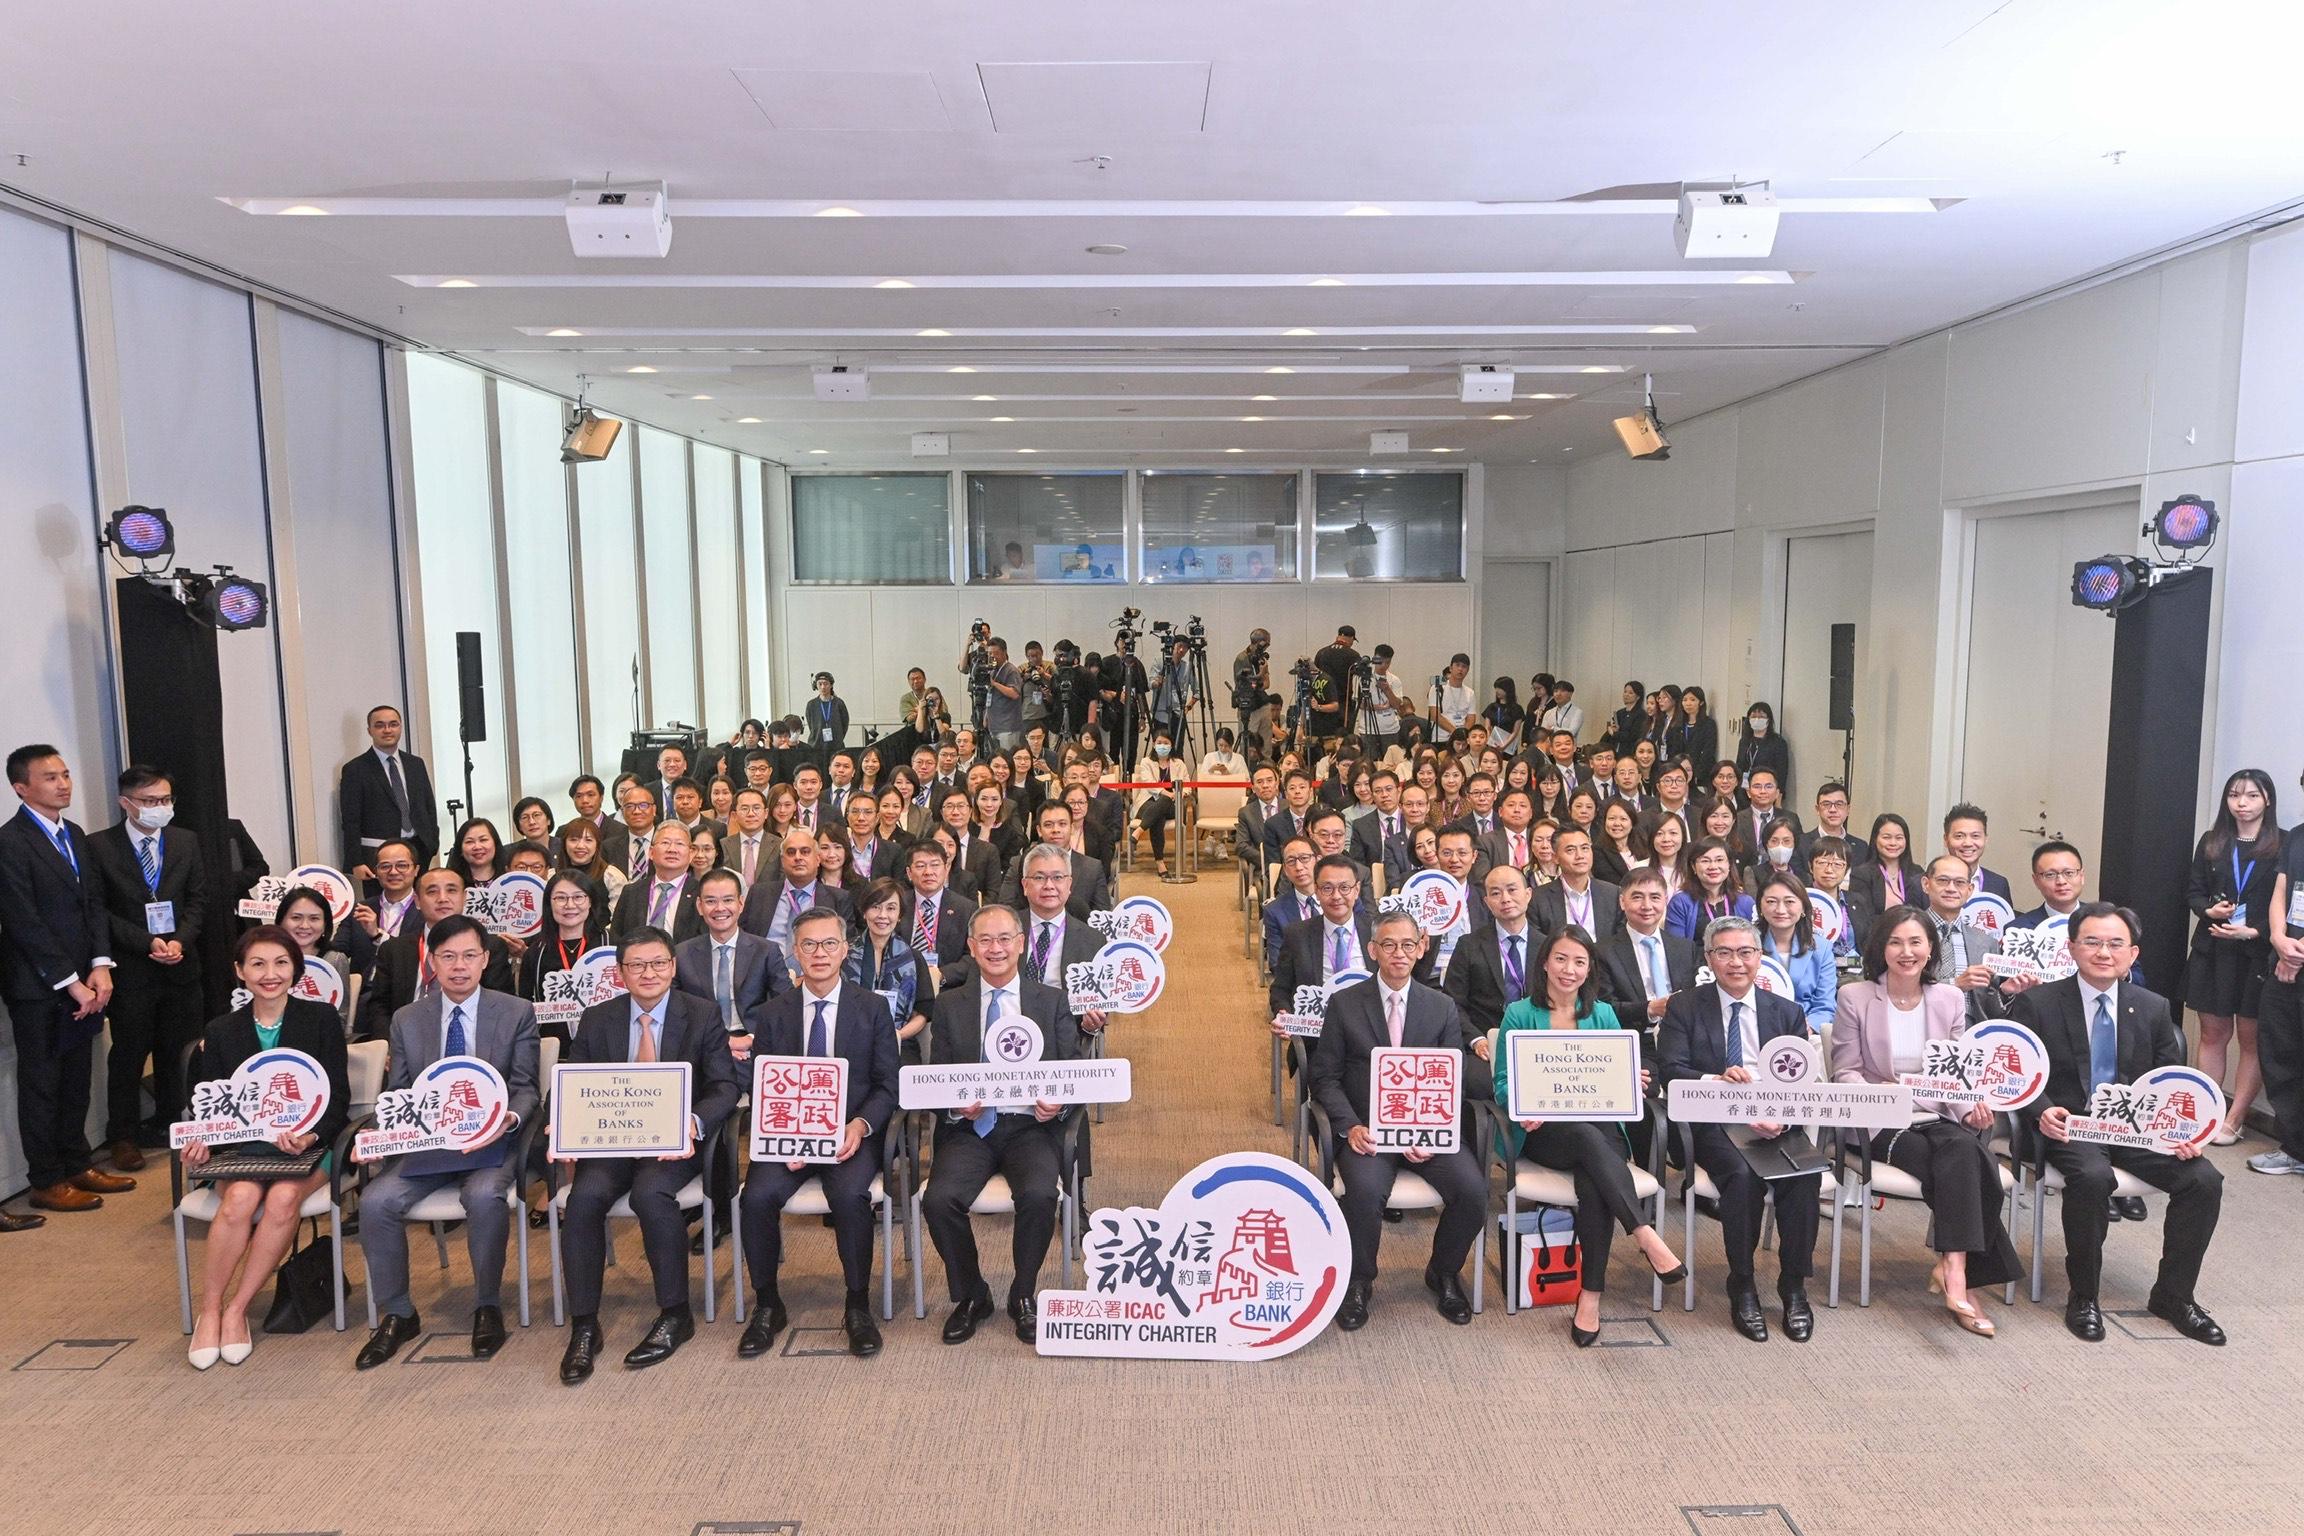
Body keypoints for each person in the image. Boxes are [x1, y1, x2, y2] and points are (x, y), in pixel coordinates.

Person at [2008, 903, 2225, 1346]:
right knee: (2091, 1177)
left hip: (2136, 1128)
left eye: (2115, 943)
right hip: (2072, 1125)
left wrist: (2183, 1134)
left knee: (2204, 1179)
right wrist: (2042, 1110)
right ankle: (2084, 1296)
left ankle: (2173, 1296)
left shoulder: (2153, 1007)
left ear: (2132, 953)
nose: (2103, 952)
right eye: (2092, 941)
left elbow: (2170, 1080)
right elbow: (2019, 1074)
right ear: (2071, 948)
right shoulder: (2040, 1002)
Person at [555, 927, 743, 1383]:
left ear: (673, 967)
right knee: (582, 1200)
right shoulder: (598, 1018)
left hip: (675, 1144)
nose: (649, 973)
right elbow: (571, 1078)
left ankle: (675, 1313)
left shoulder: (700, 1015)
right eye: (637, 965)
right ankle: (584, 1325)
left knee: (650, 1197)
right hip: (612, 1143)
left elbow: (724, 1085)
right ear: (621, 974)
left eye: (658, 963)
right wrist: (559, 1118)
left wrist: (693, 1123)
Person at [354, 914, 542, 1368]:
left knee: (482, 1195)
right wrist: (376, 1137)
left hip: (491, 1142)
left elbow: (526, 1086)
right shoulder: (407, 1018)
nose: (459, 966)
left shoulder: (515, 1011)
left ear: (485, 960)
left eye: (470, 956)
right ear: (431, 962)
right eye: (448, 957)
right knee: (376, 1201)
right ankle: (398, 1312)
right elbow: (396, 1095)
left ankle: (487, 1304)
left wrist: (508, 1120)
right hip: (428, 1145)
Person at [1829, 905, 2021, 1335]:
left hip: (1936, 1115)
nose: (1906, 951)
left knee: (1961, 1149)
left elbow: (1958, 1071)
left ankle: (1954, 1266)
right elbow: (1844, 1069)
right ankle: (1961, 1278)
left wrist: (1970, 1104)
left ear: (1930, 948)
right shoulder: (1855, 996)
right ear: (1881, 947)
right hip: (1879, 1119)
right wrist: (1879, 1095)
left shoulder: (1949, 998)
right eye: (1896, 941)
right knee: (1975, 1159)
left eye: (1916, 941)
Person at [1496, 927, 1685, 1344]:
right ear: (1545, 962)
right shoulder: (1519, 1013)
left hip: (1601, 1129)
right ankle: (1644, 1233)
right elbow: (1503, 1083)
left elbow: (1612, 1072)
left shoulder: (1602, 1013)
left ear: (1589, 969)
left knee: (1594, 1179)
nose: (1569, 969)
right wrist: (1523, 1104)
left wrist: (1629, 1080)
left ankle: (1591, 1296)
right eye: (1561, 959)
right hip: (1545, 1131)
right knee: (1584, 1138)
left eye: (1579, 962)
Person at [181, 927, 350, 1368]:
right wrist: (201, 1139)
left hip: (306, 1147)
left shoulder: (320, 1019)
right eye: (257, 964)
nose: (269, 973)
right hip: (243, 1148)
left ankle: (238, 1309)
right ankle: (211, 1310)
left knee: (282, 1197)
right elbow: (209, 1104)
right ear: (240, 971)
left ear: (296, 968)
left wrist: (312, 1135)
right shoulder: (220, 1031)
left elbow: (338, 1101)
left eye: (280, 963)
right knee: (240, 1197)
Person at [737, 906, 901, 1360]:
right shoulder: (773, 1014)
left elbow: (889, 1084)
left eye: (830, 943)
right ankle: (768, 1304)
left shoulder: (872, 1009)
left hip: (850, 1134)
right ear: (795, 952)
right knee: (756, 1197)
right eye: (809, 945)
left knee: (850, 1198)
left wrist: (859, 1124)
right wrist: (784, 1133)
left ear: (845, 949)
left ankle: (857, 1304)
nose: (820, 953)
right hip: (788, 1137)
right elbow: (764, 1083)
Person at [1309, 909, 1486, 1329]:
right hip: (1368, 1132)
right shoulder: (1345, 1005)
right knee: (1365, 1194)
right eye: (1388, 945)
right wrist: (1349, 1126)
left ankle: (1443, 1271)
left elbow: (1450, 1080)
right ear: (1372, 951)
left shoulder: (1441, 1007)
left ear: (1421, 948)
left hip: (1427, 1131)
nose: (1399, 954)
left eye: (1408, 945)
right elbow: (1325, 1077)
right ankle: (1359, 1280)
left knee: (1473, 1190)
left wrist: (1432, 1130)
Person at [1657, 915, 1823, 1343]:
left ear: (1759, 957)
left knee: (1804, 1175)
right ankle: (1743, 1281)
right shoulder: (1685, 1006)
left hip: (1775, 1120)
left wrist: (1782, 1116)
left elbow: (1801, 1079)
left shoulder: (1786, 1011)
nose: (1736, 962)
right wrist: (1718, 1081)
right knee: (1742, 1175)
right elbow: (1671, 1070)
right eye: (1725, 952)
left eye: (1745, 952)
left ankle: (1793, 1283)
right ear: (1709, 958)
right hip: (1714, 1121)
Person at [922, 904, 1082, 1345]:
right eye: (985, 941)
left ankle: (1023, 1292)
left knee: (1038, 1194)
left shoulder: (1050, 1001)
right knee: (939, 1199)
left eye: (1005, 939)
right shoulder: (951, 1005)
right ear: (971, 948)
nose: (996, 949)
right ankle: (972, 1294)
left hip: (1030, 1126)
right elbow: (938, 1076)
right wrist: (958, 1106)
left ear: (1022, 943)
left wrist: (1059, 1104)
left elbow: (1072, 1070)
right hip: (970, 1129)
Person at [0, 744, 127, 1220]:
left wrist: (99, 965)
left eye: (66, 774)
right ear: (21, 787)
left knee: (78, 1078)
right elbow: (23, 922)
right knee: (42, 1083)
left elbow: (94, 903)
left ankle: (77, 1163)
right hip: (40, 988)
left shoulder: (73, 833)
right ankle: (46, 1179)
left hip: (87, 980)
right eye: (50, 777)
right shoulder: (9, 842)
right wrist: (71, 982)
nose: (64, 783)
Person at [86, 764, 208, 1167]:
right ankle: (122, 1135)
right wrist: (145, 941)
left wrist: (179, 941)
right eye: (150, 801)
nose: (161, 807)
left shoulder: (185, 841)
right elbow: (99, 910)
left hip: (180, 964)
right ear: (126, 803)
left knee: (179, 1050)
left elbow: (198, 900)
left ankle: (172, 1120)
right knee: (129, 1053)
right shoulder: (99, 846)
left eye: (166, 799)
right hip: (132, 967)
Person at [2185, 769, 2279, 1144]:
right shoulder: (2212, 841)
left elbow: (2287, 904)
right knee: (2213, 1033)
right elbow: (2192, 893)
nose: (2242, 804)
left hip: (2257, 952)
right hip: (2214, 948)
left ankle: (2235, 1118)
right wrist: (2211, 911)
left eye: (2252, 796)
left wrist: (2255, 930)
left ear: (2267, 800)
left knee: (2251, 1038)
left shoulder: (2283, 844)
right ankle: (2208, 1113)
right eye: (2234, 796)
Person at [358, 866, 516, 1040]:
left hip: (468, 1040)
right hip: (408, 1041)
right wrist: (387, 1045)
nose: (442, 899)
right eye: (432, 892)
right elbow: (380, 1006)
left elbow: (501, 1005)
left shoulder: (489, 946)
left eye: (451, 890)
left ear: (465, 898)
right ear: (417, 901)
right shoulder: (394, 949)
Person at [674, 867, 789, 1055]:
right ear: (699, 906)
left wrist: (751, 1039)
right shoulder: (682, 954)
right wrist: (719, 1043)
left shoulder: (766, 951)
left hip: (753, 1044)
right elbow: (674, 1010)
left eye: (728, 900)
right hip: (701, 1046)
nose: (720, 908)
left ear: (741, 904)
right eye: (711, 901)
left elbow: (785, 1005)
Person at [2255, 786, 2304, 1177]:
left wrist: (2297, 951)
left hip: (2296, 957)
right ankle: (2294, 1148)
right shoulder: (2298, 835)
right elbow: (2282, 891)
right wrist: (2277, 938)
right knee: (2281, 1054)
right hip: (2284, 959)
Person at [1593, 867, 1697, 1049]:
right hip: (1634, 1042)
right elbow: (1603, 1008)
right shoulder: (1603, 951)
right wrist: (1649, 1009)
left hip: (1684, 1042)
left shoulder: (1685, 948)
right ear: (1622, 902)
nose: (1647, 906)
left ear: (1665, 900)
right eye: (1637, 897)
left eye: (1655, 897)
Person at [339, 703, 439, 878]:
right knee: (382, 905)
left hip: (418, 851)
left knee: (418, 904)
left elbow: (428, 806)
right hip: (378, 857)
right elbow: (351, 821)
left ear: (400, 727)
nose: (387, 730)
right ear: (369, 730)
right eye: (380, 725)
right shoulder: (355, 769)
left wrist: (432, 843)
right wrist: (356, 861)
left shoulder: (416, 764)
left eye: (393, 724)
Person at [1445, 862, 1539, 1043]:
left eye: (1512, 890)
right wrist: (1476, 1039)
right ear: (1487, 902)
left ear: (1528, 894)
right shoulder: (1468, 945)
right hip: (1485, 1039)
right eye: (1496, 893)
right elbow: (1453, 1002)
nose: (1505, 899)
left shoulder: (1547, 946)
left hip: (1535, 1040)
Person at [848, 878, 937, 1056]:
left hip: (900, 1044)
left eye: (891, 908)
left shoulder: (913, 958)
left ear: (900, 915)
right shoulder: (844, 954)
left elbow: (923, 1012)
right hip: (851, 1043)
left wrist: (897, 1035)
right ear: (864, 912)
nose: (883, 915)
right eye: (875, 907)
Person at [741, 826, 857, 952]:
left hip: (817, 968)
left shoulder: (839, 899)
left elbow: (847, 948)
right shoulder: (759, 894)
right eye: (791, 852)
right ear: (782, 860)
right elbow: (743, 939)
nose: (798, 857)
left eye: (805, 852)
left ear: (817, 859)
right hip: (766, 969)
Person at [1919, 854, 2005, 1021]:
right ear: (1926, 884)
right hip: (1918, 1025)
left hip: (1969, 1034)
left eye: (1959, 883)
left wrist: (2006, 992)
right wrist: (1955, 984)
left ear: (1970, 890)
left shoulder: (1987, 943)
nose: (1951, 888)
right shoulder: (1904, 933)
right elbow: (1896, 986)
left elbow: (1990, 1008)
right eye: (1943, 880)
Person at [273, 886, 367, 1036]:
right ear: (281, 921)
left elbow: (340, 1018)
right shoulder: (267, 959)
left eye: (314, 918)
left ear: (325, 924)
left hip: (319, 1039)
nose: (304, 926)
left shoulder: (334, 960)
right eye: (296, 917)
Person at [992, 800, 1110, 917]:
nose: (1055, 830)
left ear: (1072, 828)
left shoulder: (1092, 868)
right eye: (1048, 825)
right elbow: (1006, 909)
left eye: (1062, 824)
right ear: (1039, 830)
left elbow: (1101, 917)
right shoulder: (1019, 864)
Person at [1754, 869, 1837, 1036]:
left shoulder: (1822, 948)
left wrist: (1808, 1026)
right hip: (1756, 1027)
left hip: (1805, 1029)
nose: (1780, 909)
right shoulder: (1747, 945)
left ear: (1803, 908)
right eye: (1771, 901)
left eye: (1789, 902)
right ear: (1760, 907)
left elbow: (1825, 1005)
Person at [521, 872, 606, 1030]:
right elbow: (525, 1006)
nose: (570, 905)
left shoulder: (610, 946)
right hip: (553, 1043)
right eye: (561, 898)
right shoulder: (536, 952)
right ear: (549, 904)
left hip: (603, 1042)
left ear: (590, 901)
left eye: (578, 897)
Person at [611, 820, 703, 944]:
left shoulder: (701, 893)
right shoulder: (631, 892)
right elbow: (617, 936)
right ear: (651, 852)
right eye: (665, 843)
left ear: (691, 854)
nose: (672, 849)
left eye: (679, 844)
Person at [1529, 826, 1621, 942]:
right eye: (1570, 850)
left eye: (1585, 848)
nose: (1580, 856)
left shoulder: (1613, 894)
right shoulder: (1538, 898)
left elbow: (1619, 941)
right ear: (1556, 857)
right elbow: (1538, 944)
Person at [1845, 813, 1925, 947]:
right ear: (1875, 839)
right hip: (1878, 943)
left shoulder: (1917, 872)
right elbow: (1863, 919)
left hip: (1913, 943)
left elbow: (1923, 913)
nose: (1893, 843)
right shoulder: (1861, 874)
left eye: (1899, 838)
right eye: (1886, 837)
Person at [1665, 837, 1751, 941]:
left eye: (1719, 860)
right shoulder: (1680, 903)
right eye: (1705, 861)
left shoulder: (1745, 902)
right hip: (1696, 957)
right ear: (1693, 867)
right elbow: (1677, 948)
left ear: (1729, 865)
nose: (1713, 866)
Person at [1942, 803, 2011, 902]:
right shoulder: (1921, 885)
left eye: (1975, 836)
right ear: (1946, 840)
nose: (1968, 843)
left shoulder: (1999, 884)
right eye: (1959, 836)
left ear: (1986, 839)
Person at [1796, 780, 1869, 874]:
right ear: (1817, 809)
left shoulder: (1861, 847)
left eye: (1839, 804)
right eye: (1826, 804)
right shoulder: (1800, 843)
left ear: (1848, 809)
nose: (1833, 810)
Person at [1734, 702, 1791, 800]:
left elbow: (1782, 773)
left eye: (1761, 716)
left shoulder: (1778, 743)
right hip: (1744, 789)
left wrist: (1778, 798)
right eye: (1753, 716)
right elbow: (1739, 766)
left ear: (1768, 720)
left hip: (1766, 790)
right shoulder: (1744, 741)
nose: (1757, 719)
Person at [1666, 685, 1718, 781]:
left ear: (1701, 702)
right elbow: (1673, 750)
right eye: (1685, 700)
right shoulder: (1678, 724)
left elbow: (1708, 751)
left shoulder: (1708, 724)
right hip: (1680, 772)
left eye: (1692, 700)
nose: (1688, 703)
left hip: (1701, 773)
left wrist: (1697, 773)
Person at [1484, 678, 1525, 756]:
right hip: (1493, 743)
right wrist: (1490, 741)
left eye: (1500, 688)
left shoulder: (1517, 709)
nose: (1497, 691)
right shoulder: (1492, 707)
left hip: (1508, 745)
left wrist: (1504, 745)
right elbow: (1487, 727)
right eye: (1496, 688)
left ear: (1508, 689)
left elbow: (1515, 731)